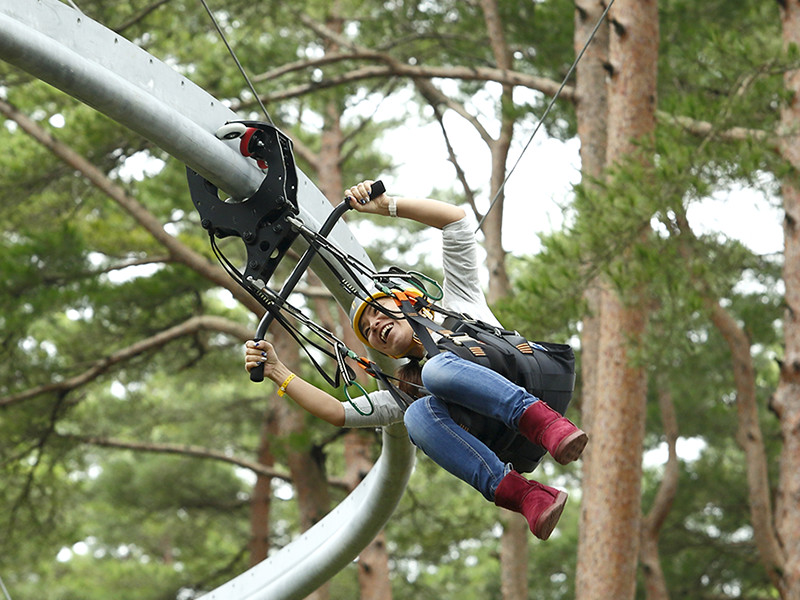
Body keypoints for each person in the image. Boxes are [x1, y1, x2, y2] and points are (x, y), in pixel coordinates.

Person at [244, 181, 587, 540]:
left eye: (378, 312)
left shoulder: (459, 305)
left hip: (526, 381)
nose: (374, 325)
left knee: (438, 369)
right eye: (367, 330)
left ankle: (546, 423)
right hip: (507, 437)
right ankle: (525, 494)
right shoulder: (410, 384)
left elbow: (455, 222)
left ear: (408, 302)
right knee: (415, 413)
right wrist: (277, 371)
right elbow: (338, 411)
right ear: (386, 352)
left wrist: (385, 206)